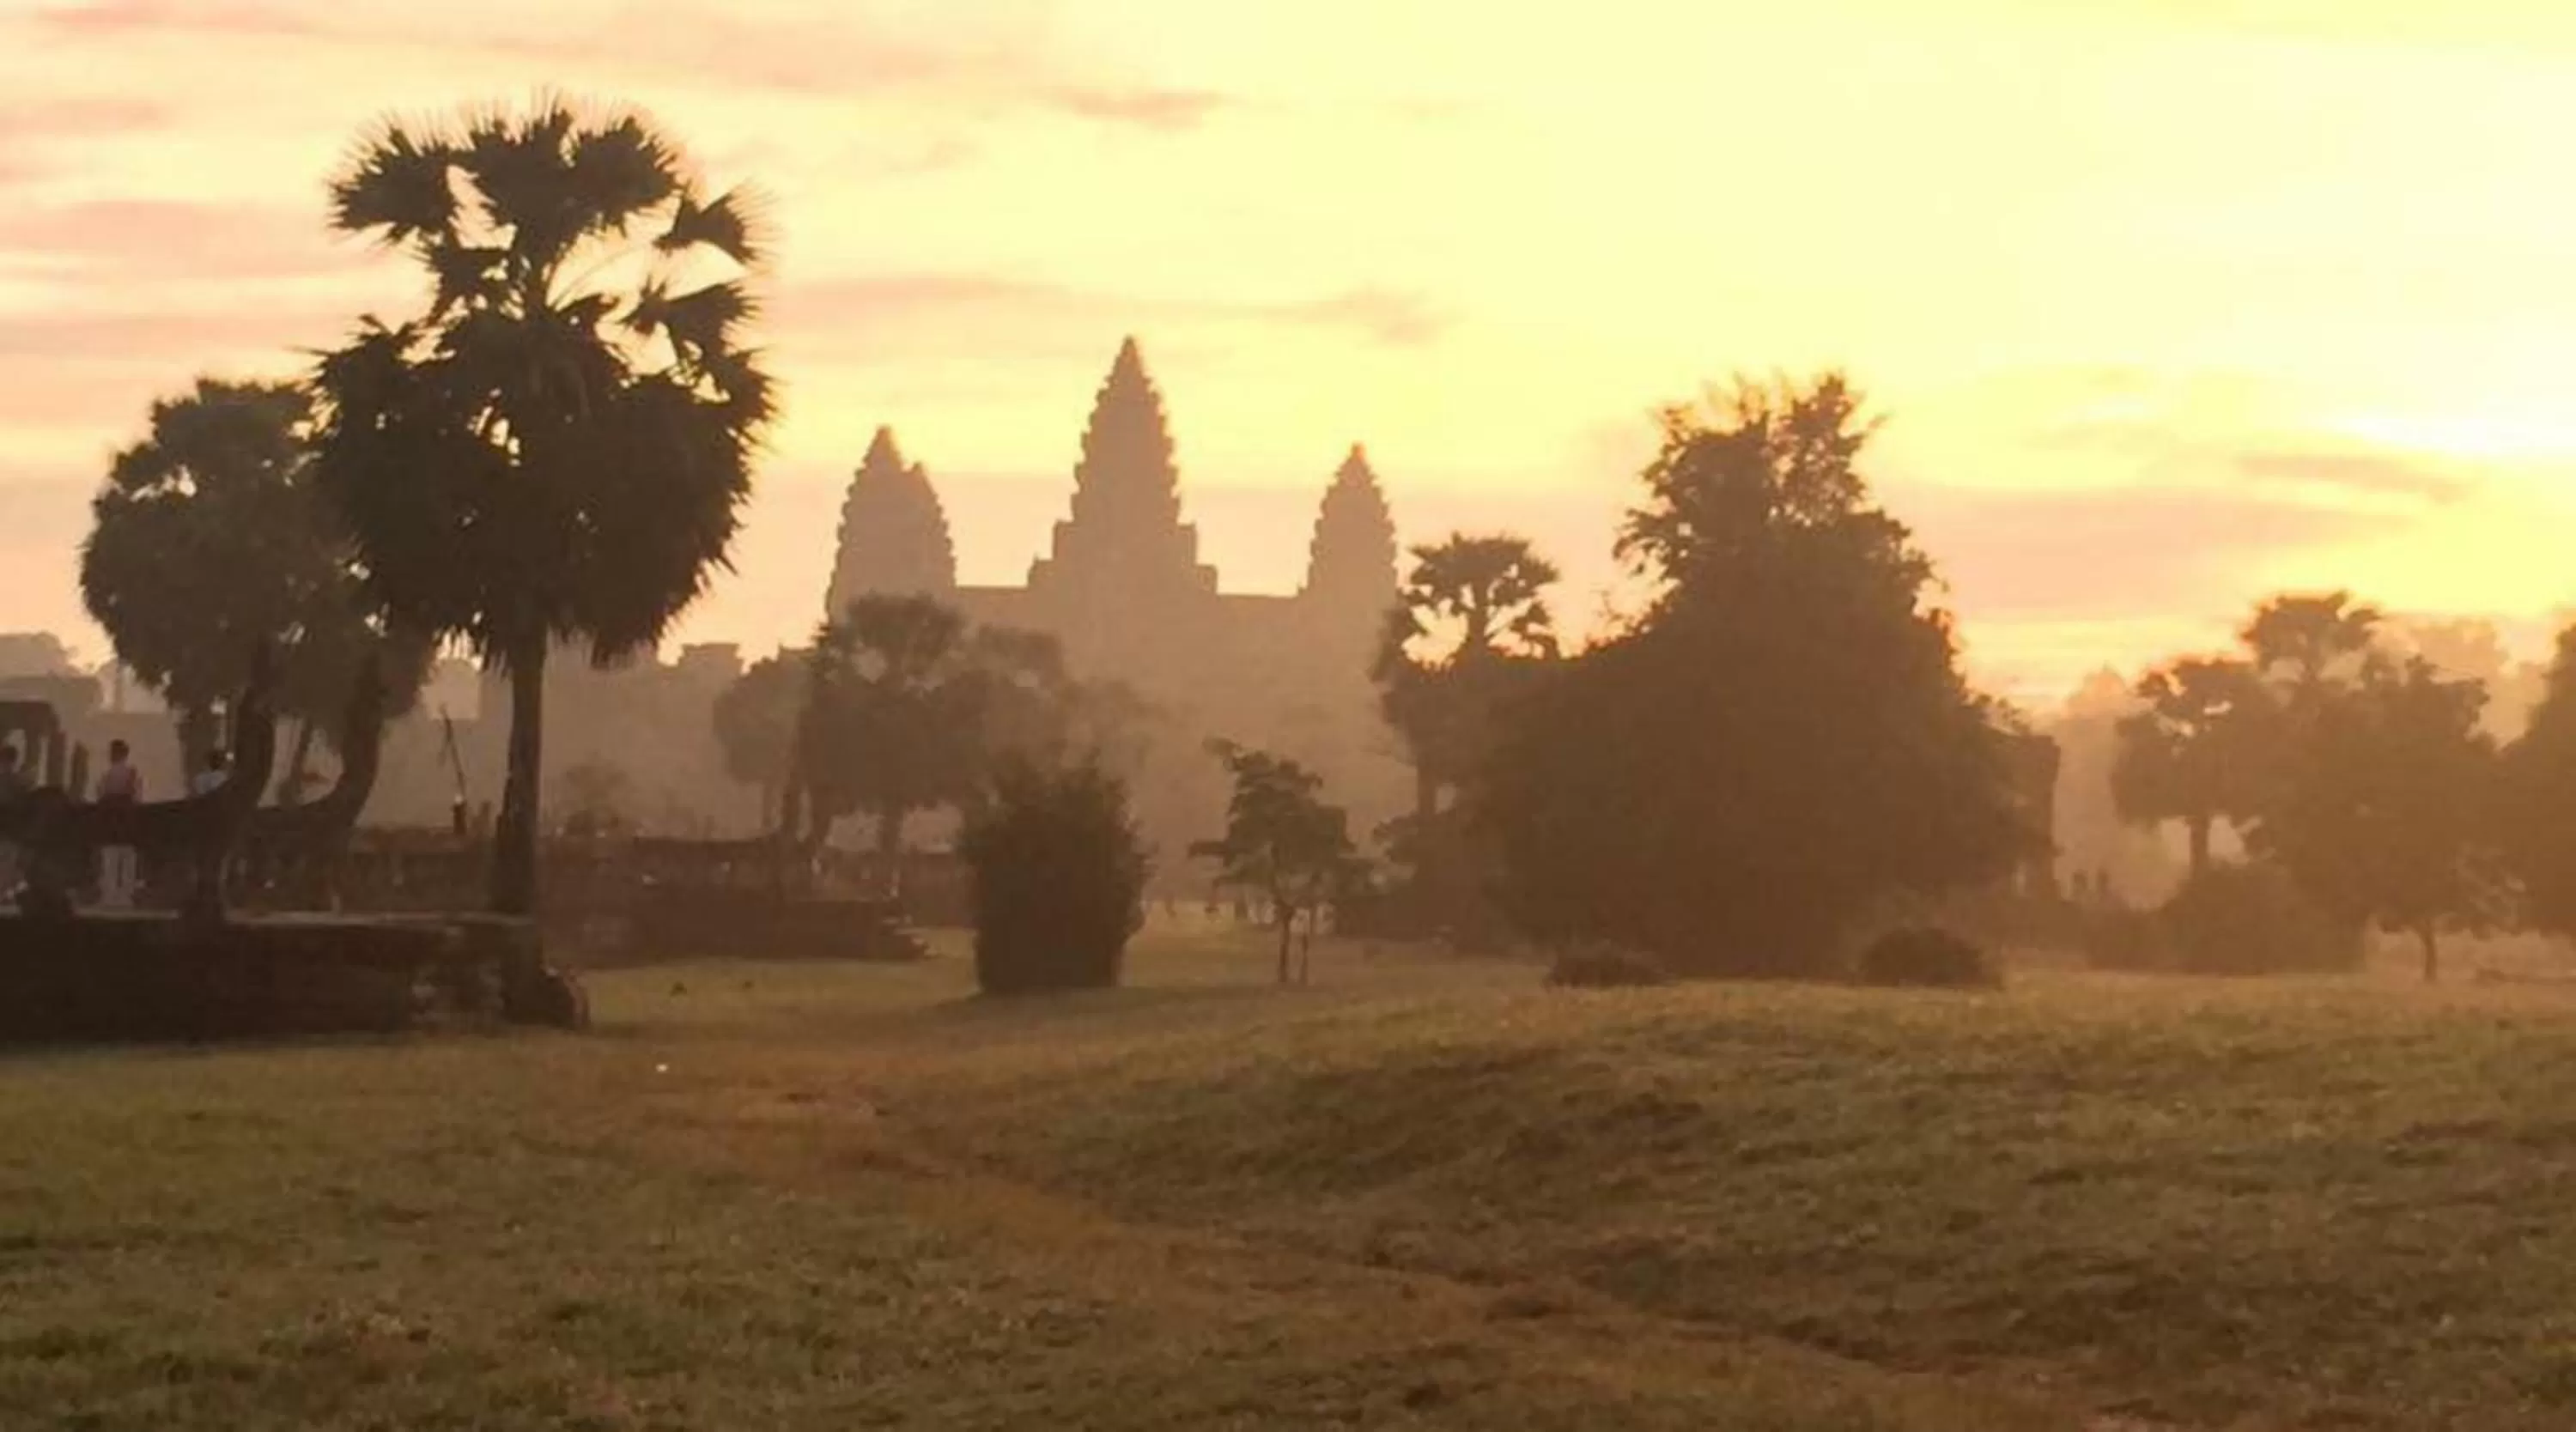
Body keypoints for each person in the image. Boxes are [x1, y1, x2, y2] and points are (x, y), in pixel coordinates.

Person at [95, 739, 141, 910]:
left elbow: (100, 797)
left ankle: (109, 896)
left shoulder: (106, 775)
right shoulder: (133, 774)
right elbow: (137, 799)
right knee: (128, 857)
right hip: (128, 819)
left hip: (110, 819)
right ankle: (126, 896)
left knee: (110, 857)